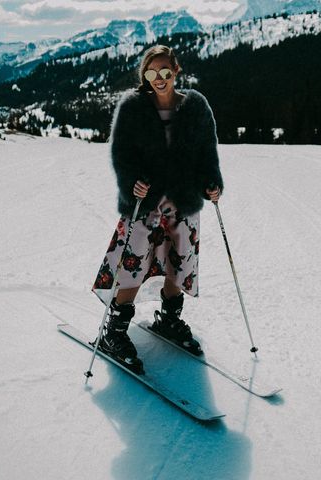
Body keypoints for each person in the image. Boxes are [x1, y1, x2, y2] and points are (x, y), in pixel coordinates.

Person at [92, 45, 224, 372]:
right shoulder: (133, 107)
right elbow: (121, 153)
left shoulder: (196, 106)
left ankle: (168, 319)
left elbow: (207, 151)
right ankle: (115, 331)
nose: (159, 79)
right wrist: (132, 181)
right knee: (133, 258)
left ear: (176, 71)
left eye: (165, 72)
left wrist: (212, 181)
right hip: (146, 198)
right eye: (152, 73)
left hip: (183, 196)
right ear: (144, 75)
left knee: (181, 258)